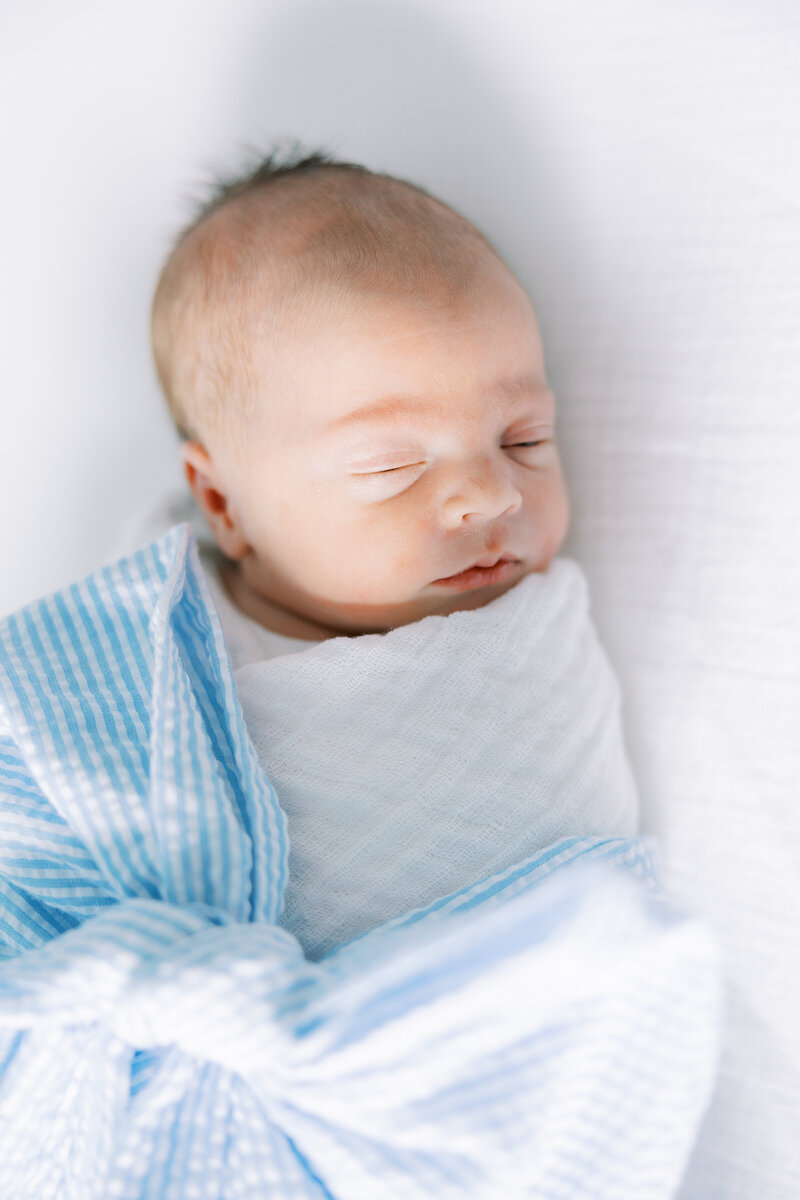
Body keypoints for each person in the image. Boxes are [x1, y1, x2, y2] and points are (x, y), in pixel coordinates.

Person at [142, 144, 637, 962]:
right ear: (225, 503)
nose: (494, 494)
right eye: (391, 465)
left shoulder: (528, 645)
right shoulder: (153, 646)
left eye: (525, 439)